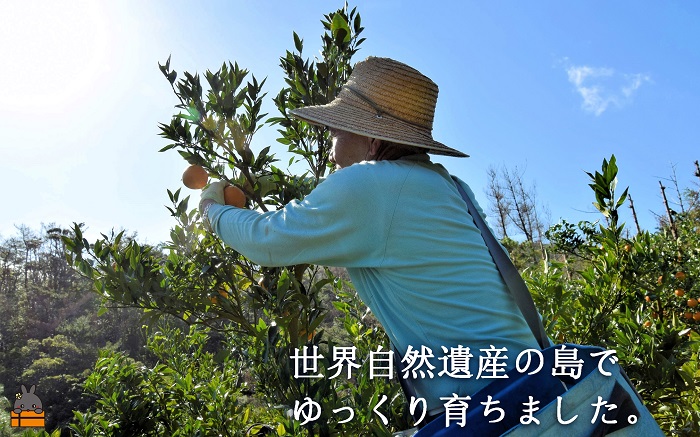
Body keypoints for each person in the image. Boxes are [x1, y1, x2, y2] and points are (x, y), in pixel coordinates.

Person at [198, 56, 540, 427]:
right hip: (532, 389)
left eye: (337, 128)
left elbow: (266, 239)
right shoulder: (448, 186)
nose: (329, 139)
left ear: (373, 137)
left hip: (486, 409)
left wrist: (212, 207)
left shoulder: (373, 185)